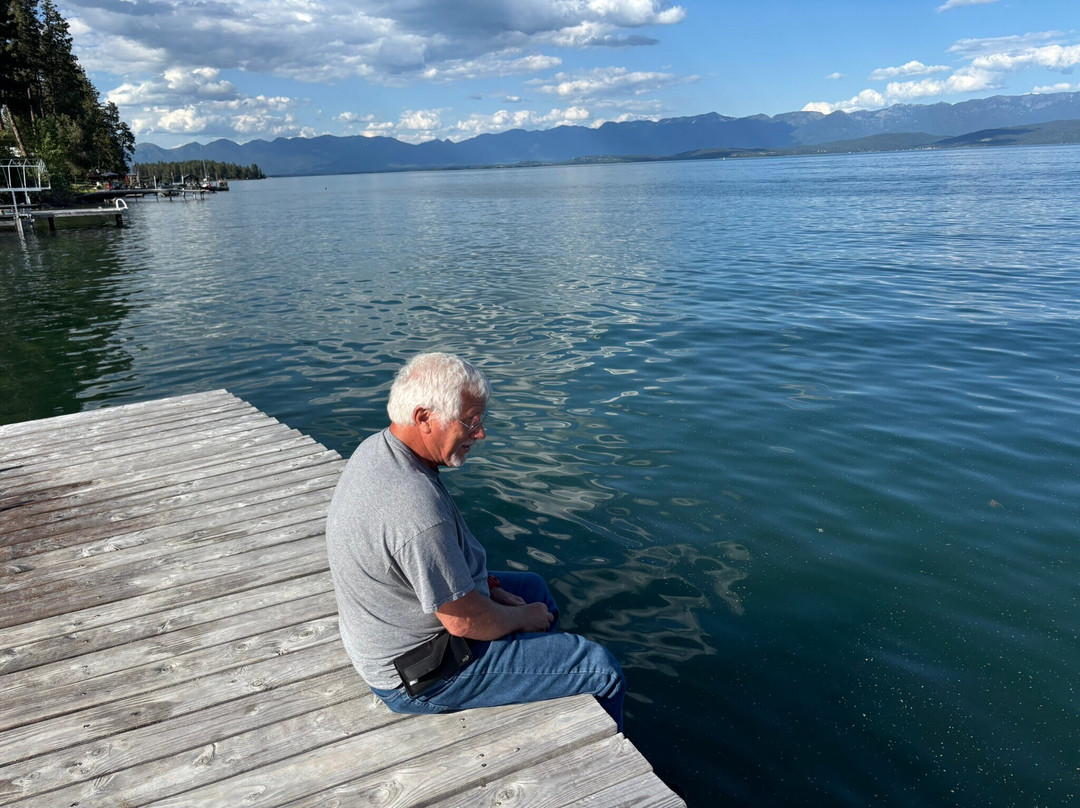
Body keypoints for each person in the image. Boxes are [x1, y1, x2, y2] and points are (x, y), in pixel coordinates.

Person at [325, 351, 625, 731]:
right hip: (420, 673)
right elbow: (463, 621)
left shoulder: (380, 449)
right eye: (469, 421)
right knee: (600, 668)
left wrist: (493, 588)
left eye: (480, 420)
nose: (480, 433)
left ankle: (542, 679)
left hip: (394, 626)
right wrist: (521, 617)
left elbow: (438, 571)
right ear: (424, 418)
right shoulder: (413, 506)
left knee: (533, 587)